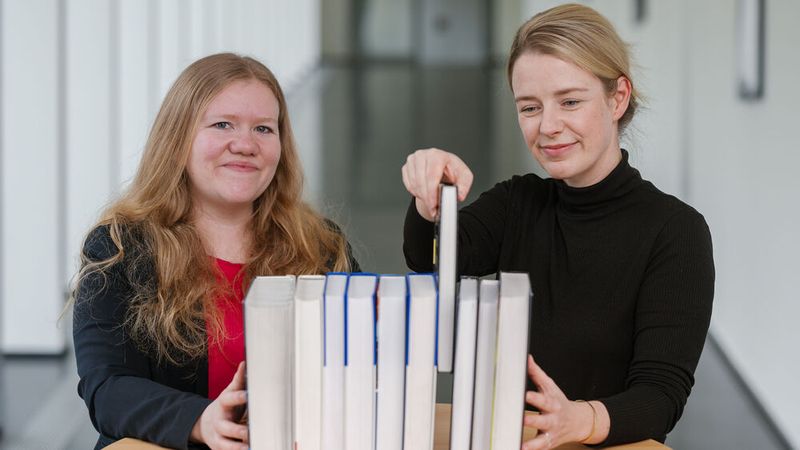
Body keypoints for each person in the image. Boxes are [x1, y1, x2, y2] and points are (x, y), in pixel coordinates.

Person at [401, 4, 714, 449]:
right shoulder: (518, 202)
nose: (548, 127)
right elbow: (429, 257)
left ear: (617, 97)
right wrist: (431, 199)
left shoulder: (675, 231)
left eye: (570, 101)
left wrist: (577, 419)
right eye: (530, 107)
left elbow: (660, 396)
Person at [72, 53, 359, 450]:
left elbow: (360, 363)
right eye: (222, 124)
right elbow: (107, 388)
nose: (244, 144)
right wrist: (200, 421)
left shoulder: (323, 246)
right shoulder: (120, 246)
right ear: (179, 138)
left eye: (263, 128)